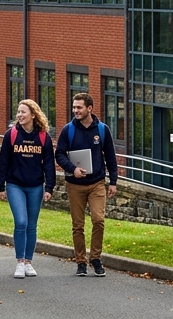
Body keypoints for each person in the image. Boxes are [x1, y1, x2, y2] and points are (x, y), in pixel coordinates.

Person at [55, 93, 119, 277]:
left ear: (89, 108)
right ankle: (81, 261)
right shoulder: (68, 130)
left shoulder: (102, 129)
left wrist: (113, 181)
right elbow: (59, 154)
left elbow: (110, 157)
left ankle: (96, 258)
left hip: (97, 183)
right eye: (74, 107)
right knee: (78, 225)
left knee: (98, 220)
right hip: (75, 184)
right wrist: (72, 169)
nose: (75, 110)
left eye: (79, 107)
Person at [0, 99, 55, 279]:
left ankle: (29, 261)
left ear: (33, 115)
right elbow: (3, 161)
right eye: (18, 112)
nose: (20, 115)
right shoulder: (11, 134)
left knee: (31, 225)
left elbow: (50, 165)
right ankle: (20, 262)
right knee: (21, 222)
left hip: (36, 186)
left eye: (23, 112)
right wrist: (0, 186)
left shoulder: (43, 137)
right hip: (15, 185)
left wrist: (49, 187)